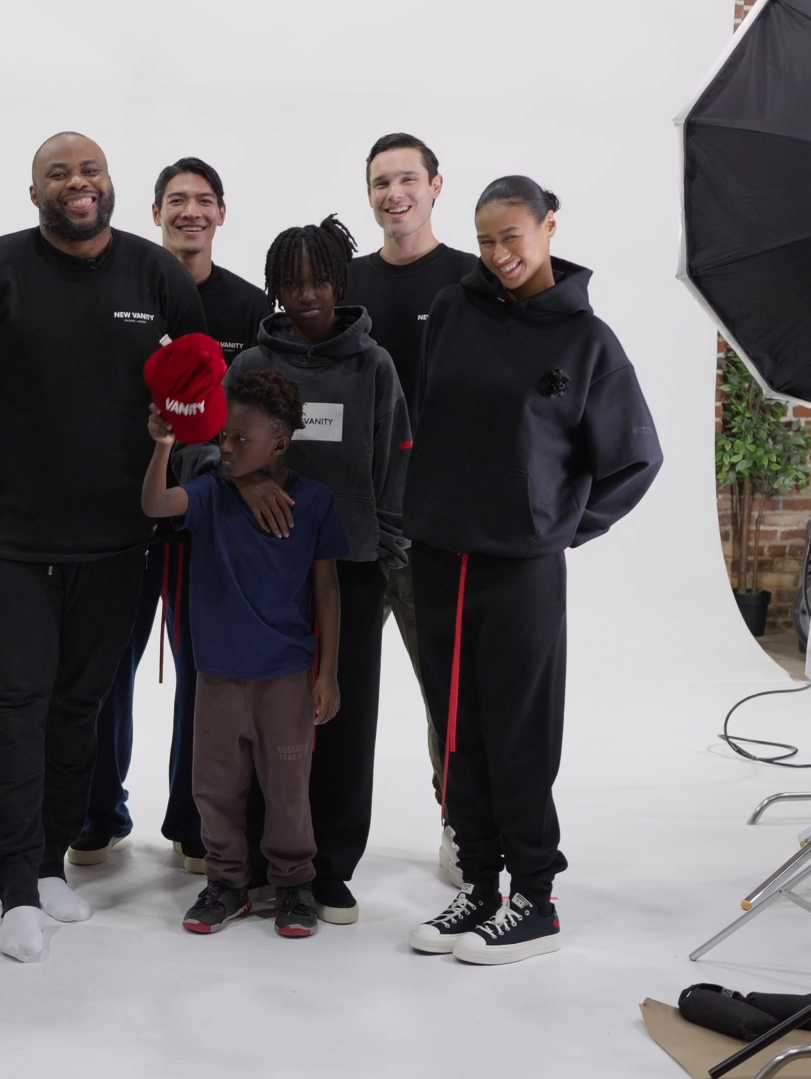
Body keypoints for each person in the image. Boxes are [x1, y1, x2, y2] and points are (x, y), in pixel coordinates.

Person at [0, 131, 208, 962]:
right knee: (13, 710)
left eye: (89, 170)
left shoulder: (155, 275)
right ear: (33, 190)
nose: (76, 184)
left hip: (118, 541)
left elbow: (194, 391)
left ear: (109, 184)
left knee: (79, 709)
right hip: (7, 539)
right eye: (58, 173)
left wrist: (168, 439)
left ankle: (48, 864)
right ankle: (13, 886)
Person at [403, 176, 661, 965]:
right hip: (439, 553)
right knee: (457, 731)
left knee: (517, 731)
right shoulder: (451, 308)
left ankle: (535, 899)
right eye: (484, 241)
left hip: (520, 570)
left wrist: (556, 528)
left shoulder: (587, 342)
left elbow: (635, 459)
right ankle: (478, 882)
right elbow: (432, 416)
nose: (498, 255)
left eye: (511, 236)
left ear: (548, 226)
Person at [70, 156, 275, 875]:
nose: (190, 210)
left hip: (209, 526)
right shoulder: (123, 292)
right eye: (175, 200)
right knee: (103, 670)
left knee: (204, 676)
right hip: (122, 517)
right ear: (154, 212)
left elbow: (265, 422)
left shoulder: (252, 308)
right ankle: (97, 812)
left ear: (221, 214)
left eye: (203, 200)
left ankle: (194, 820)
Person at [226, 215, 410, 925]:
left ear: (340, 281)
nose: (306, 294)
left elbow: (393, 457)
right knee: (255, 719)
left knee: (339, 719)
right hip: (262, 572)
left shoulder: (373, 365)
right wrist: (249, 483)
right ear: (274, 288)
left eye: (318, 280)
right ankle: (248, 860)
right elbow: (216, 450)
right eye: (291, 283)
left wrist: (382, 546)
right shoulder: (250, 366)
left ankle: (330, 866)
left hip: (351, 568)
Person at [142, 366, 348, 938]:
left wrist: (326, 671)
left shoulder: (316, 502)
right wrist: (163, 446)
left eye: (240, 440)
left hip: (286, 675)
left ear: (280, 443)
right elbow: (157, 505)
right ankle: (226, 883)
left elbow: (327, 589)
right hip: (217, 675)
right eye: (223, 439)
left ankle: (293, 885)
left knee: (287, 789)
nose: (227, 449)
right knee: (214, 786)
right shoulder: (210, 493)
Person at [345, 133, 483, 880]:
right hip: (354, 523)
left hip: (436, 527)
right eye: (379, 182)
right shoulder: (347, 282)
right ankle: (323, 832)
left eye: (406, 179)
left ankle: (458, 821)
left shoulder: (469, 280)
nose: (393, 193)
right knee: (333, 682)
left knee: (448, 688)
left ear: (435, 185)